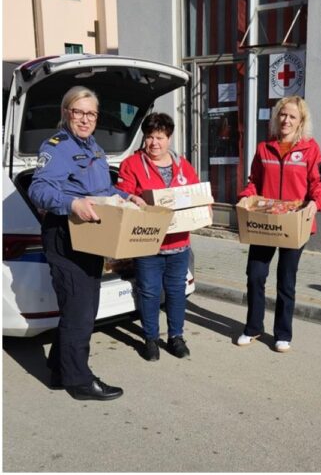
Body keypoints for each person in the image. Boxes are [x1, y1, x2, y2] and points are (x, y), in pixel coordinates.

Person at [28, 86, 145, 401]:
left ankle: (58, 372)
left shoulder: (93, 146)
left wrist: (126, 196)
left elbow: (104, 189)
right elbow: (39, 189)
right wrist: (72, 204)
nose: (84, 119)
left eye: (90, 113)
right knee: (80, 311)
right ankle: (79, 382)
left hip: (90, 237)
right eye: (78, 112)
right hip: (65, 236)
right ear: (66, 113)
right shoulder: (57, 146)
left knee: (79, 308)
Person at [237, 96, 321, 352]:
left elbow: (319, 183)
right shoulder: (264, 148)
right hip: (264, 222)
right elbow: (253, 180)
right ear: (277, 117)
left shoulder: (311, 149)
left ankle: (282, 334)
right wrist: (246, 197)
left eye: (292, 116)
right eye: (282, 115)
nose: (286, 120)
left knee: (286, 281)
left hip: (294, 223)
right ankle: (253, 327)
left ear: (301, 122)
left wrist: (315, 204)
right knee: (255, 276)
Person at [117, 112, 201, 361]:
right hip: (146, 243)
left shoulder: (183, 165)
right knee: (149, 292)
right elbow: (119, 193)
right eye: (150, 137)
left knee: (176, 291)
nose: (155, 143)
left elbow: (196, 195)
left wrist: (203, 206)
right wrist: (132, 198)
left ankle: (176, 337)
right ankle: (151, 338)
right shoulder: (132, 164)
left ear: (170, 138)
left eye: (160, 137)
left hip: (178, 244)